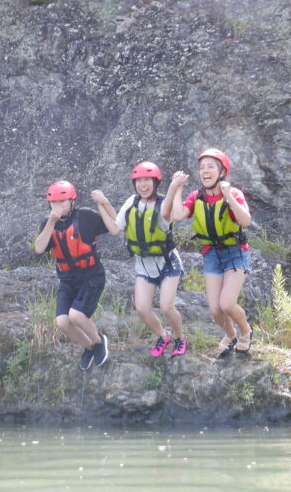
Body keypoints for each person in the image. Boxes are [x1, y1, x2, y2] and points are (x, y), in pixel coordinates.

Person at [162, 149, 253, 357]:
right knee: (215, 310)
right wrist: (177, 188)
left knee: (227, 303)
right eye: (202, 167)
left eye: (211, 166)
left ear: (222, 172)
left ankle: (246, 331)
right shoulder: (197, 196)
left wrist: (228, 195)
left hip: (235, 251)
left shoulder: (234, 194)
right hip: (211, 253)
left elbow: (245, 221)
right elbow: (177, 215)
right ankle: (230, 335)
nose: (205, 170)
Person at [96, 161, 187, 357]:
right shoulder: (132, 202)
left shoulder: (164, 203)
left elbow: (165, 213)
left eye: (147, 180)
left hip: (168, 263)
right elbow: (115, 228)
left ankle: (180, 338)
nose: (142, 185)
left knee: (166, 307)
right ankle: (163, 336)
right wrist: (101, 203)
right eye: (138, 181)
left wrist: (174, 186)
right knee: (142, 309)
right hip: (144, 266)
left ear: (155, 183)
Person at [33, 180, 116, 371]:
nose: (58, 206)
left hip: (91, 276)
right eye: (53, 202)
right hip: (67, 278)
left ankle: (98, 341)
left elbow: (116, 224)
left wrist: (104, 203)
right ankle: (88, 347)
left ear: (72, 202)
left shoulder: (85, 217)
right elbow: (38, 249)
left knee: (77, 315)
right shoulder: (48, 224)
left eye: (62, 201)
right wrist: (51, 221)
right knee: (62, 322)